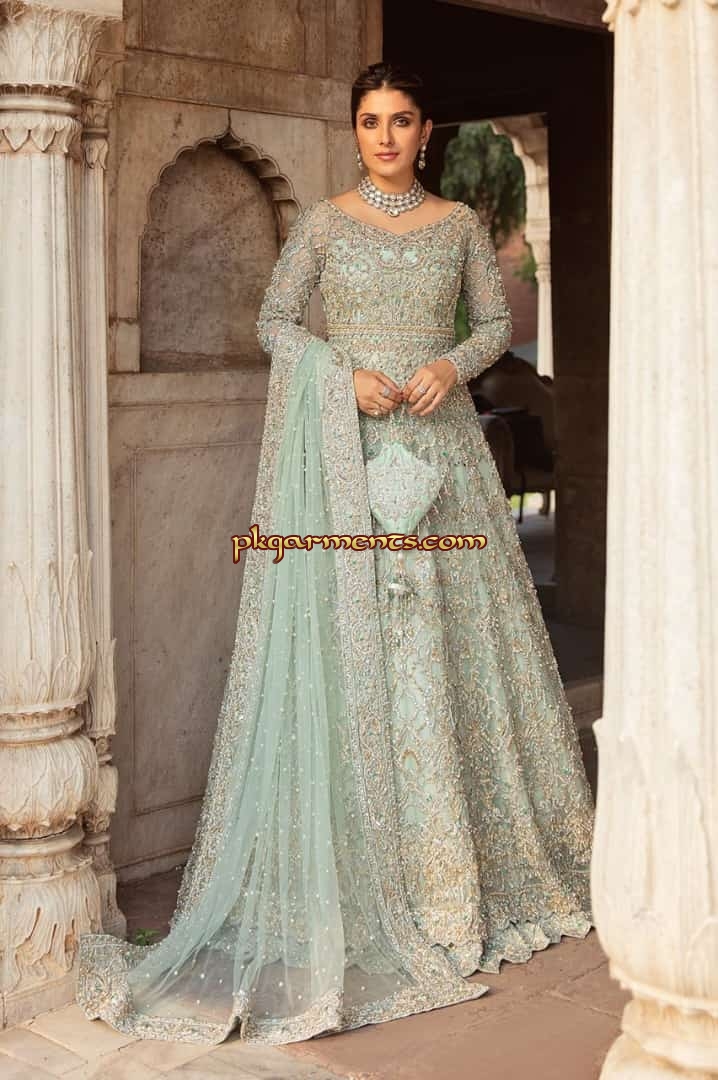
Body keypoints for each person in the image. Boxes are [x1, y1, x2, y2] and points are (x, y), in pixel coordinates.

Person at [76, 61, 594, 1047]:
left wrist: (449, 364)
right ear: (355, 131)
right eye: (369, 121)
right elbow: (275, 322)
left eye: (401, 120)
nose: (385, 136)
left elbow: (493, 323)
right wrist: (340, 374)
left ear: (426, 131)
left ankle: (456, 877)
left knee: (447, 652)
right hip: (345, 460)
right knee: (355, 655)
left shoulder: (457, 226)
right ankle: (364, 868)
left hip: (441, 457)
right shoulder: (321, 225)